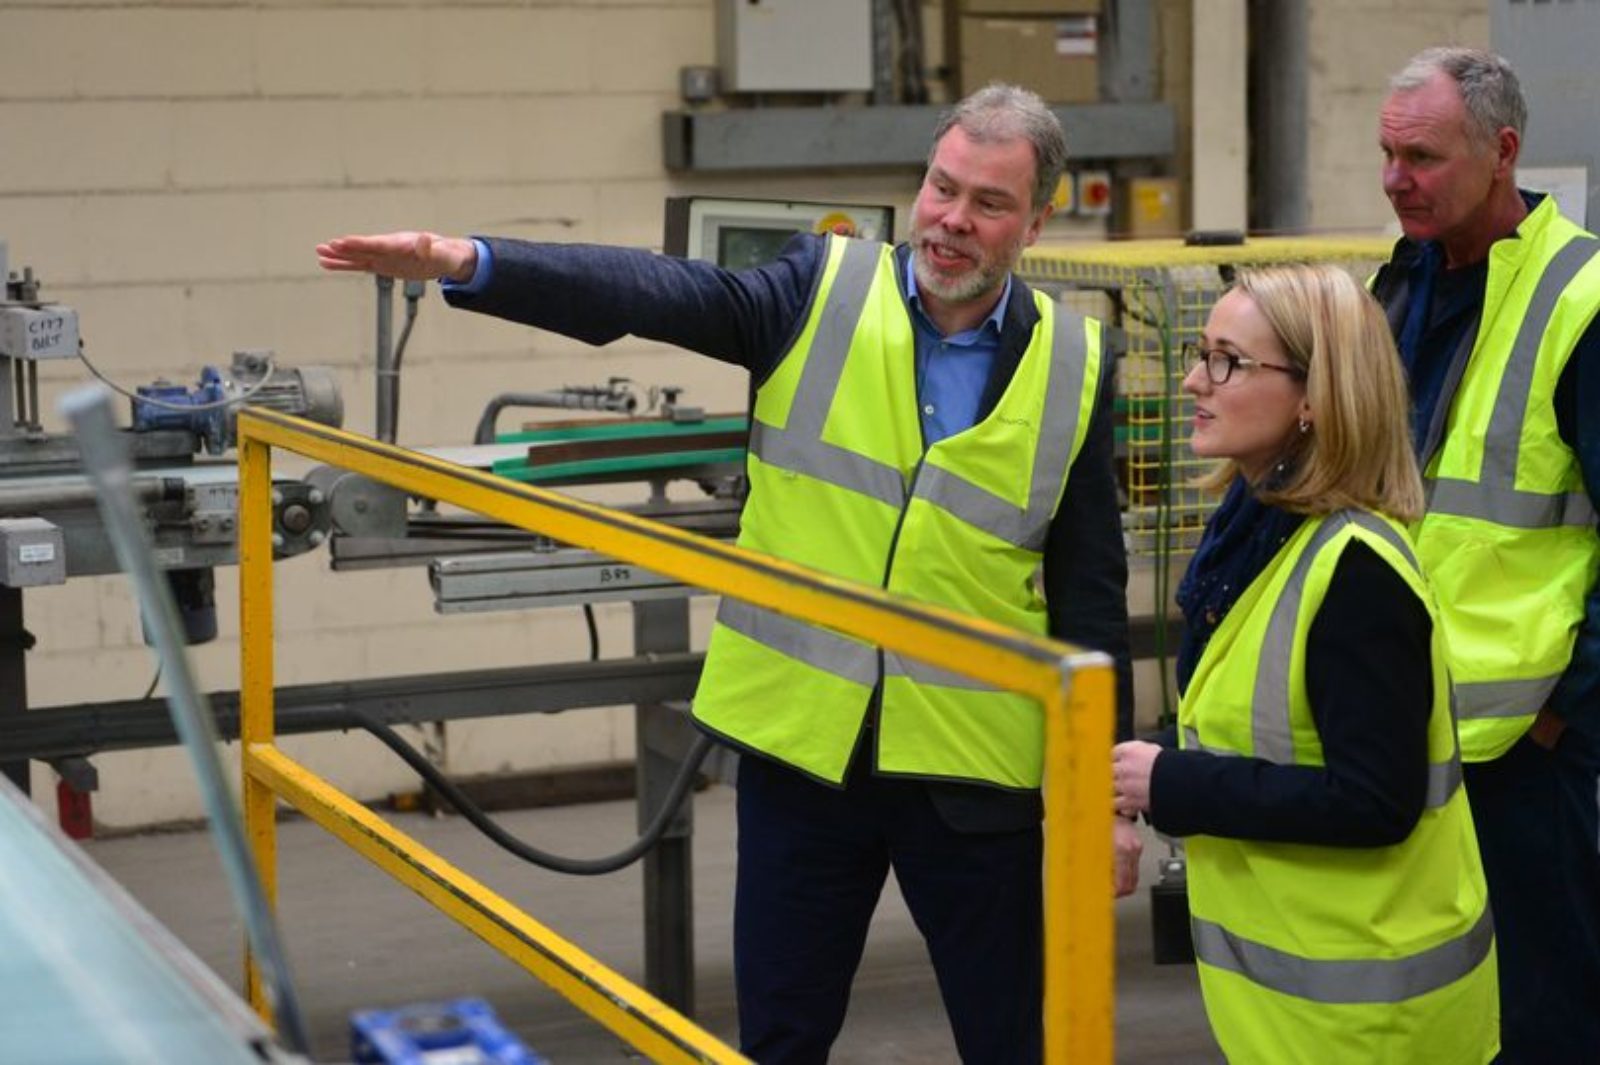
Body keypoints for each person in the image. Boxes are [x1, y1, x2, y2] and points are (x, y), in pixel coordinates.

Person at [318, 83, 1135, 1064]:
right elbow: (654, 292)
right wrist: (474, 262)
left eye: (987, 204)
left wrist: (1112, 801)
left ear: (1037, 220)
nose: (952, 221)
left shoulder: (1077, 365)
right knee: (781, 1039)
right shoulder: (820, 289)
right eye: (940, 187)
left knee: (1018, 1043)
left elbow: (1091, 596)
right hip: (802, 757)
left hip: (973, 774)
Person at [1111, 265, 1499, 1062]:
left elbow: (1374, 801)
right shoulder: (1255, 535)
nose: (1193, 380)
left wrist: (1174, 781)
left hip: (1371, 1023)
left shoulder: (1356, 574)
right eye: (1200, 351)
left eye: (1228, 360)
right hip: (1302, 1011)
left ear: (1315, 398)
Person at [1371, 46, 1600, 1062]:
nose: (1394, 180)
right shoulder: (1400, 281)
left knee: (1546, 1013)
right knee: (1438, 1009)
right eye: (1385, 155)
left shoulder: (1579, 301)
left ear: (1501, 152)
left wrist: (1566, 712)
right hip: (1401, 730)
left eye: (1419, 157)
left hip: (1522, 750)